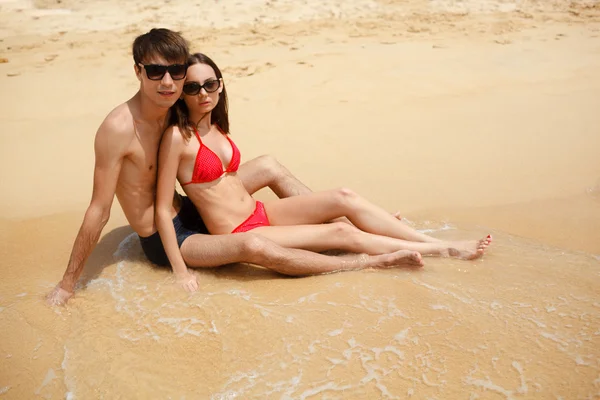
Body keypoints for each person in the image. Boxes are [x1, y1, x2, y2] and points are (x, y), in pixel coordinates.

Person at [45, 29, 425, 305]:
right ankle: (359, 260)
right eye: (156, 72)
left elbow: (206, 123)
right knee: (251, 243)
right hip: (169, 238)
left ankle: (331, 229)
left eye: (176, 73)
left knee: (268, 165)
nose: (168, 82)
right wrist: (67, 283)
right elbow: (99, 209)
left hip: (194, 208)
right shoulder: (119, 128)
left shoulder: (174, 107)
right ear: (138, 71)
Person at [155, 53, 492, 291]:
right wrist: (180, 270)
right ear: (182, 92)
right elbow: (160, 206)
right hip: (237, 229)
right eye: (193, 87)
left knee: (343, 196)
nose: (203, 93)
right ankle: (443, 250)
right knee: (341, 236)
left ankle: (426, 239)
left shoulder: (215, 124)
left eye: (210, 85)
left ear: (220, 85)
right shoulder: (177, 137)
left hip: (261, 211)